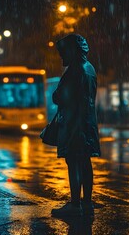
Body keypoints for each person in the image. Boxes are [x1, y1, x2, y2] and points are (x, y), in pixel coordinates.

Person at [51, 34, 101, 217]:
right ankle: (86, 203)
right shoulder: (90, 69)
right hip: (87, 123)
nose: (61, 56)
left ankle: (75, 205)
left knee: (73, 162)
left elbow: (59, 96)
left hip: (75, 124)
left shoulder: (74, 70)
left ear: (72, 51)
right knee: (85, 162)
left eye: (63, 52)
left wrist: (58, 95)